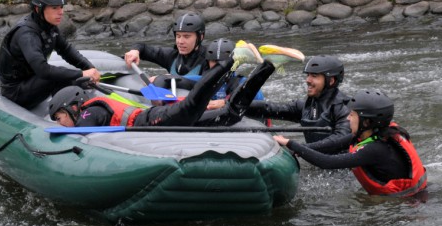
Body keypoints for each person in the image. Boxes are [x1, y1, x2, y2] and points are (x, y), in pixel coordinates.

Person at [50, 42, 304, 129]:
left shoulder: (88, 112)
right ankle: (270, 64)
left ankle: (233, 61)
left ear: (72, 107)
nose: (60, 122)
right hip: (161, 118)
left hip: (153, 120)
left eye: (59, 117)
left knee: (192, 106)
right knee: (229, 115)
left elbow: (82, 132)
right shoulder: (87, 111)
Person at [275, 90, 428, 197]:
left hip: (408, 202)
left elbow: (327, 162)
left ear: (367, 122)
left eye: (352, 115)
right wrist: (294, 148)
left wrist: (291, 143)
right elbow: (332, 145)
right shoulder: (372, 135)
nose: (348, 119)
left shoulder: (376, 149)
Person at [0, 0, 101, 110]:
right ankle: (65, 113)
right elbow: (43, 70)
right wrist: (81, 73)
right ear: (37, 9)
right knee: (57, 76)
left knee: (75, 78)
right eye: (55, 8)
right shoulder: (26, 34)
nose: (61, 12)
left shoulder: (48, 26)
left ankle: (87, 105)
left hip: (32, 81)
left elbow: (66, 50)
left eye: (61, 7)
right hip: (15, 91)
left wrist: (90, 68)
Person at [245, 55, 352, 151]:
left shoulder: (344, 109)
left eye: (314, 76)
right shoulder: (306, 106)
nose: (308, 80)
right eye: (308, 75)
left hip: (342, 168)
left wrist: (295, 146)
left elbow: (341, 139)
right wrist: (236, 105)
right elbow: (271, 108)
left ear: (331, 80)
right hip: (318, 162)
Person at [123, 13, 208, 77]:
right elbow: (143, 48)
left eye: (186, 36)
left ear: (200, 37)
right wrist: (135, 50)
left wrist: (166, 78)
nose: (180, 41)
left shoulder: (209, 59)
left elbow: (203, 84)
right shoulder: (172, 56)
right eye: (178, 36)